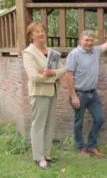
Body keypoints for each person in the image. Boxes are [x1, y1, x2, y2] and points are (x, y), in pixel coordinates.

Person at [65, 24, 107, 156]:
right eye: (86, 40)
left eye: (91, 40)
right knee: (79, 122)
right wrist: (73, 96)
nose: (89, 42)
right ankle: (81, 148)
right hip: (79, 94)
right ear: (80, 40)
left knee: (99, 119)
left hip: (93, 94)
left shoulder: (96, 50)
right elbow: (68, 76)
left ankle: (92, 146)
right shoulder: (74, 54)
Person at [23, 22, 66, 170]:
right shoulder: (28, 53)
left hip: (53, 92)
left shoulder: (51, 52)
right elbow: (34, 77)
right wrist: (53, 75)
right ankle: (39, 157)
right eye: (37, 32)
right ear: (31, 36)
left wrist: (51, 73)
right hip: (39, 93)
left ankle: (47, 154)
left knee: (49, 124)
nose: (41, 34)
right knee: (39, 125)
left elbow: (63, 69)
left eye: (42, 31)